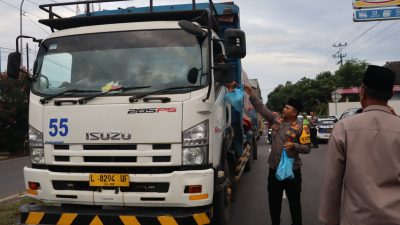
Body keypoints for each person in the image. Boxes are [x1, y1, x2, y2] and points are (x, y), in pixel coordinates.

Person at [319, 65, 400, 225]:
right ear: (390, 95)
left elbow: (332, 184)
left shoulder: (343, 128)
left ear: (362, 91)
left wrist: (328, 221)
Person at [244, 84, 311, 225]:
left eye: (287, 108)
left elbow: (307, 148)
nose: (283, 109)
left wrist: (295, 145)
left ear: (294, 112)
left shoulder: (302, 128)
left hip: (292, 171)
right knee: (274, 203)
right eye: (284, 107)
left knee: (294, 204)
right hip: (274, 169)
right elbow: (262, 109)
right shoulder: (276, 119)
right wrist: (251, 93)